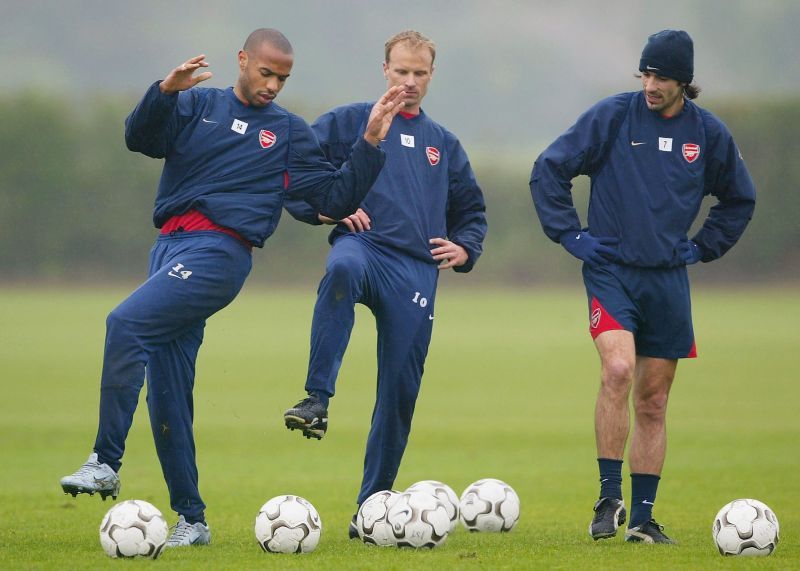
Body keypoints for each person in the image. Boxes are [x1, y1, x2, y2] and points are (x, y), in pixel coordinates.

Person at [59, 28, 406, 548]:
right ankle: (192, 520)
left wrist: (371, 140)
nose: (273, 86)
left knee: (124, 323)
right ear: (242, 61)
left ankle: (105, 461)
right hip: (168, 251)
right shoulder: (195, 105)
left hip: (219, 255)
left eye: (282, 79)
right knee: (168, 391)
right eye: (266, 73)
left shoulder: (288, 132)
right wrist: (164, 92)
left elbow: (332, 196)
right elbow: (140, 140)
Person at [530, 29, 755, 544]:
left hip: (668, 281)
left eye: (662, 77)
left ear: (684, 82)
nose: (651, 84)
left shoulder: (710, 135)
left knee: (653, 400)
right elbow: (550, 168)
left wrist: (702, 247)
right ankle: (609, 497)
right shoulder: (613, 116)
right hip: (612, 272)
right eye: (646, 74)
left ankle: (644, 521)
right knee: (618, 369)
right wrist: (572, 235)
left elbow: (739, 199)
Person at [281, 30, 487, 536]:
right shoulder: (350, 121)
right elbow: (296, 174)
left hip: (416, 269)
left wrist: (465, 249)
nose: (410, 81)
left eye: (420, 73)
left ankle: (371, 508)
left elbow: (472, 212)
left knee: (399, 392)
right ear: (384, 69)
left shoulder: (444, 144)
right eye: (401, 71)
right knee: (342, 269)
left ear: (431, 75)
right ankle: (317, 399)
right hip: (365, 248)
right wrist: (327, 209)